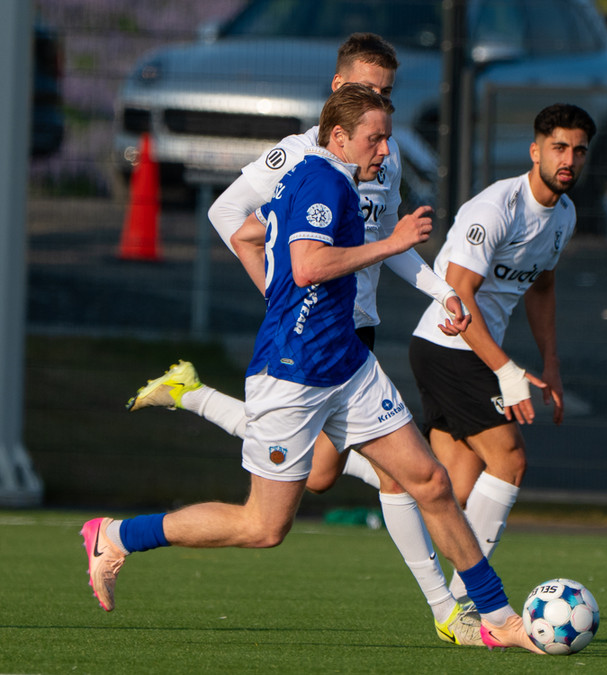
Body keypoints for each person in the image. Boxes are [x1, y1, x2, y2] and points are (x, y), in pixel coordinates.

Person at [81, 83, 542, 654]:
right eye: (375, 139)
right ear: (340, 136)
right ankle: (117, 535)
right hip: (293, 373)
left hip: (347, 363)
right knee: (263, 528)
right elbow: (307, 266)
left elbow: (251, 233)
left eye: (388, 139)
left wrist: (427, 287)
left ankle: (497, 617)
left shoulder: (319, 178)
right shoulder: (324, 179)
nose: (384, 150)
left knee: (430, 481)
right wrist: (388, 244)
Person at [408, 103, 596, 601]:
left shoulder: (564, 215)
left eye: (578, 151)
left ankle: (381, 467)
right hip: (450, 345)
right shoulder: (497, 207)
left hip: (467, 351)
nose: (568, 160)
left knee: (454, 488)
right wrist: (507, 371)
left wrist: (550, 363)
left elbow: (541, 286)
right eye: (558, 147)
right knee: (510, 460)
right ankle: (474, 603)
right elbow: (459, 291)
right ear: (535, 151)